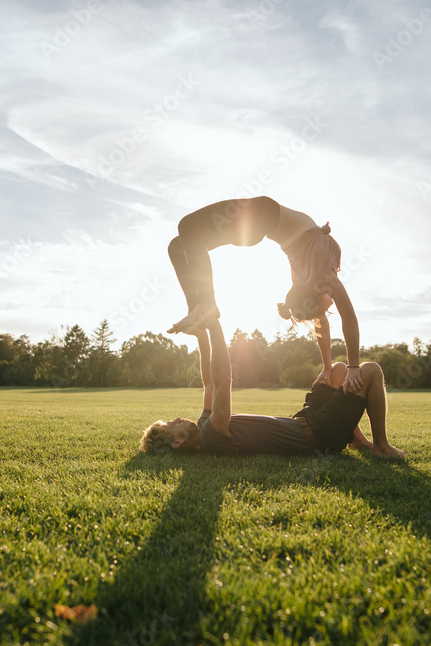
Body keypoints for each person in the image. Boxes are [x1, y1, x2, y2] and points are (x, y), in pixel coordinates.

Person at [166, 196, 365, 394]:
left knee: (187, 226)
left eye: (324, 307)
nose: (330, 306)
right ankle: (196, 310)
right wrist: (344, 367)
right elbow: (347, 318)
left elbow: (325, 322)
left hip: (259, 216)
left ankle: (204, 306)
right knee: (178, 246)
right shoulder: (321, 280)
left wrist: (337, 366)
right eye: (325, 307)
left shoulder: (316, 280)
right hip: (258, 222)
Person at [139, 318, 406, 458]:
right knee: (371, 370)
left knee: (336, 370)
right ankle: (381, 446)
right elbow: (223, 381)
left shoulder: (205, 424)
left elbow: (208, 381)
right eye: (172, 424)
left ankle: (357, 439)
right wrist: (214, 324)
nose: (176, 418)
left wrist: (199, 335)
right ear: (177, 442)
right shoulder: (212, 435)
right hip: (321, 435)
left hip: (305, 420)